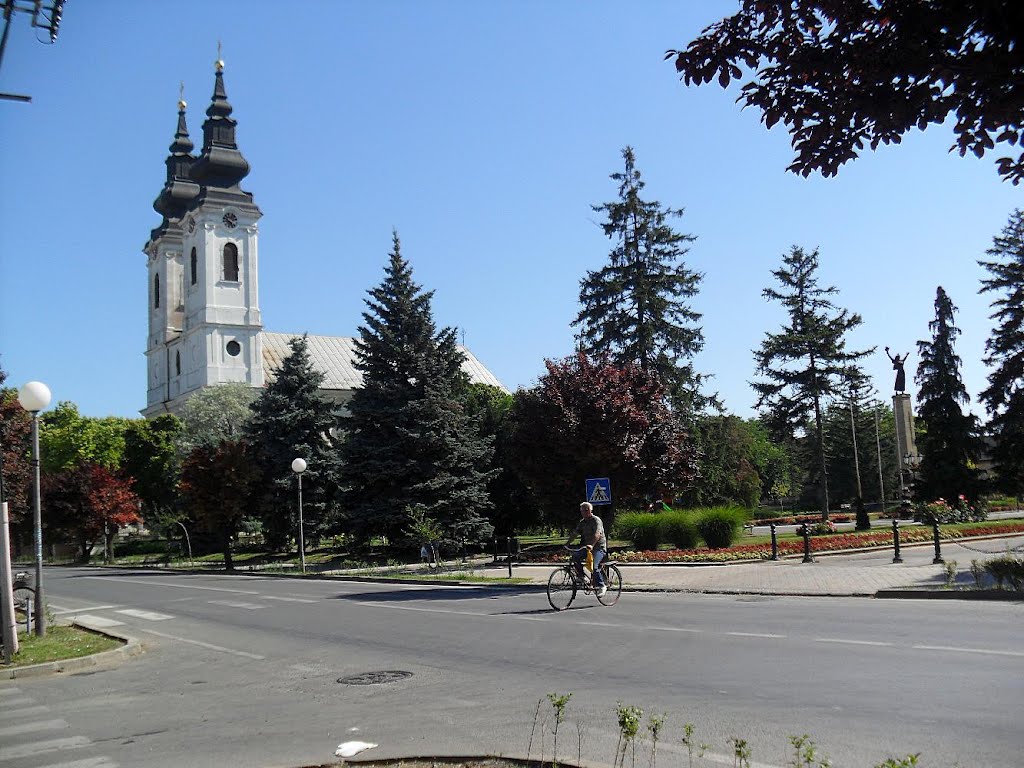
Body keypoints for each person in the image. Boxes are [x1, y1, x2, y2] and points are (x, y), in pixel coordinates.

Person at [565, 501, 607, 596]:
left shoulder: (596, 520)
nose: (583, 512)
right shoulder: (582, 523)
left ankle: (602, 586)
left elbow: (597, 534)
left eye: (585, 510)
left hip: (598, 548)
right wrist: (567, 544)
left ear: (590, 510)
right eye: (582, 511)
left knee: (594, 566)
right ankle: (581, 576)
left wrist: (592, 544)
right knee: (575, 556)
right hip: (587, 548)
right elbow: (575, 534)